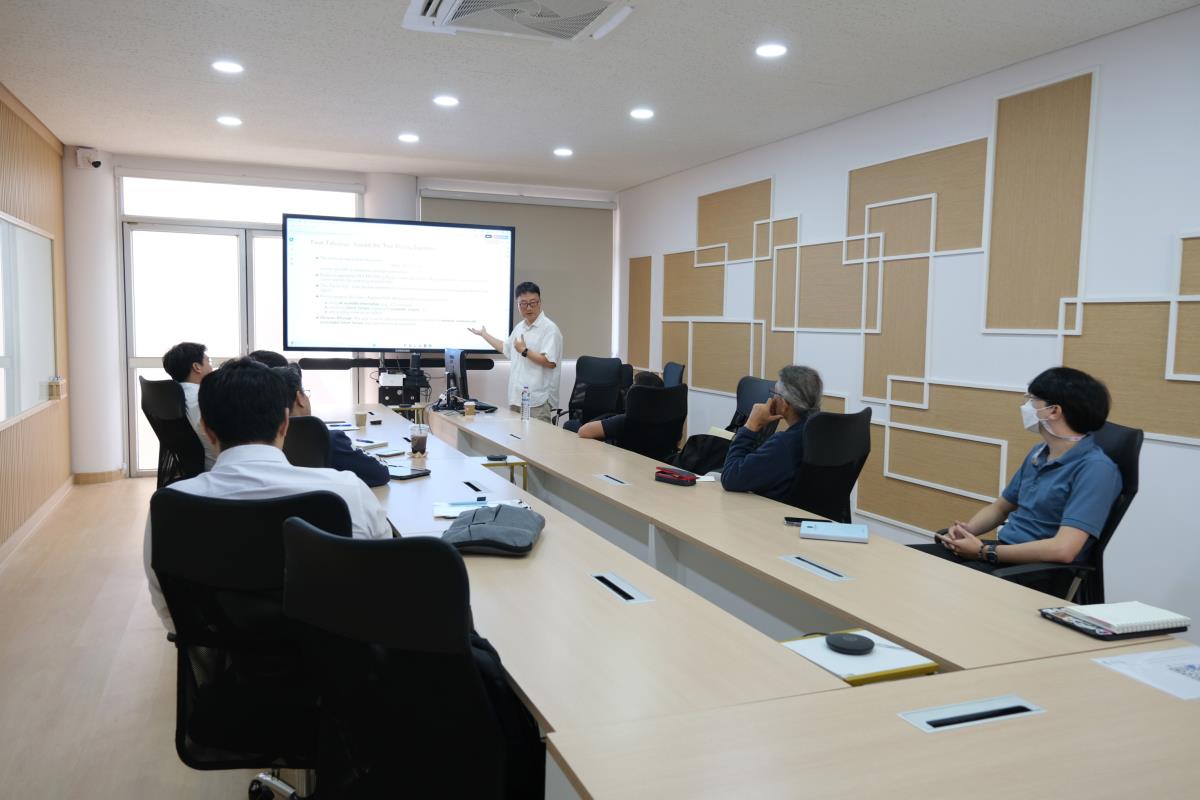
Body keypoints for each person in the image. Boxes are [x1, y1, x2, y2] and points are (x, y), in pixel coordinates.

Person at [144, 358, 392, 632]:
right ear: (285, 423)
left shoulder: (171, 505)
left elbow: (171, 610)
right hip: (334, 652)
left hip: (223, 653)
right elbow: (380, 579)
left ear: (206, 429)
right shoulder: (346, 490)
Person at [914, 367, 1121, 587]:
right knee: (910, 563)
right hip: (1001, 554)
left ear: (1053, 411)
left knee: (935, 585)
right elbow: (1001, 507)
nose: (1027, 407)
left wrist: (984, 551)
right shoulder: (1039, 453)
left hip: (1038, 571)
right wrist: (968, 531)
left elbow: (1064, 549)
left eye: (1033, 400)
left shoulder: (1096, 469)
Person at [271, 362, 390, 487]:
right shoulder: (328, 440)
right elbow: (380, 473)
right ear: (299, 398)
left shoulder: (267, 442)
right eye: (305, 392)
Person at [720, 366, 823, 501]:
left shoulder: (784, 444)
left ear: (784, 405)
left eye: (775, 393)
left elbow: (730, 477)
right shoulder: (828, 434)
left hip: (776, 512)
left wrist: (750, 426)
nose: (772, 398)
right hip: (819, 513)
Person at [468, 281, 562, 422]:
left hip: (538, 400)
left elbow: (550, 362)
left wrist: (524, 350)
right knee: (516, 436)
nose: (528, 308)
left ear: (540, 302)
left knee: (538, 437)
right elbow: (506, 348)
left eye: (533, 303)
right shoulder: (520, 327)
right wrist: (484, 335)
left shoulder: (549, 329)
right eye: (523, 304)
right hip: (517, 397)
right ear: (517, 305)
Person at [162, 341, 216, 470]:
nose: (212, 367)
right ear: (197, 367)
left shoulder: (175, 397)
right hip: (215, 466)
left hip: (192, 466)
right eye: (208, 361)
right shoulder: (203, 398)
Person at [577, 371, 663, 441]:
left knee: (572, 424)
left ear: (635, 395)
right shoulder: (668, 422)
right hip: (654, 457)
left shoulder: (625, 420)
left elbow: (583, 431)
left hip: (621, 457)